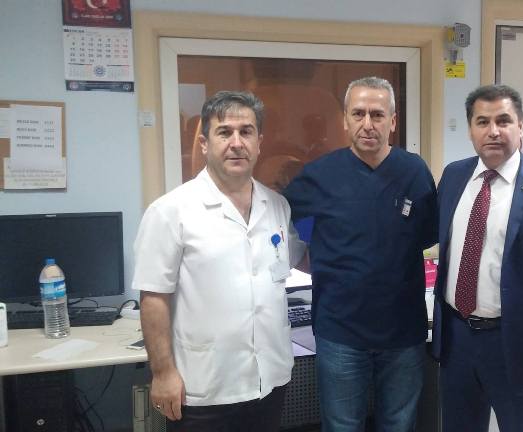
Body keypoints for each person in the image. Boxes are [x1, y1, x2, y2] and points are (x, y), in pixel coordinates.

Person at [133, 91, 306, 431]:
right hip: (204, 387)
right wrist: (163, 372)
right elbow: (153, 297)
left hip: (269, 378)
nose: (236, 143)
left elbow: (281, 268)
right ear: (204, 143)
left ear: (259, 142)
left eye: (246, 132)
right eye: (224, 132)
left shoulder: (277, 206)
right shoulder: (170, 211)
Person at [282, 77, 438, 431]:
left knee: (399, 424)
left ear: (393, 122)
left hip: (403, 332)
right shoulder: (318, 177)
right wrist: (325, 263)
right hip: (340, 333)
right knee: (342, 426)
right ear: (345, 120)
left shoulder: (414, 172)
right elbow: (291, 232)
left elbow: (426, 234)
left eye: (378, 115)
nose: (368, 124)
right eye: (359, 114)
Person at [431, 84, 523, 432]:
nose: (493, 131)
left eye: (503, 121)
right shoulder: (454, 176)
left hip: (516, 344)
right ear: (470, 129)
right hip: (457, 339)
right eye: (482, 122)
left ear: (521, 127)